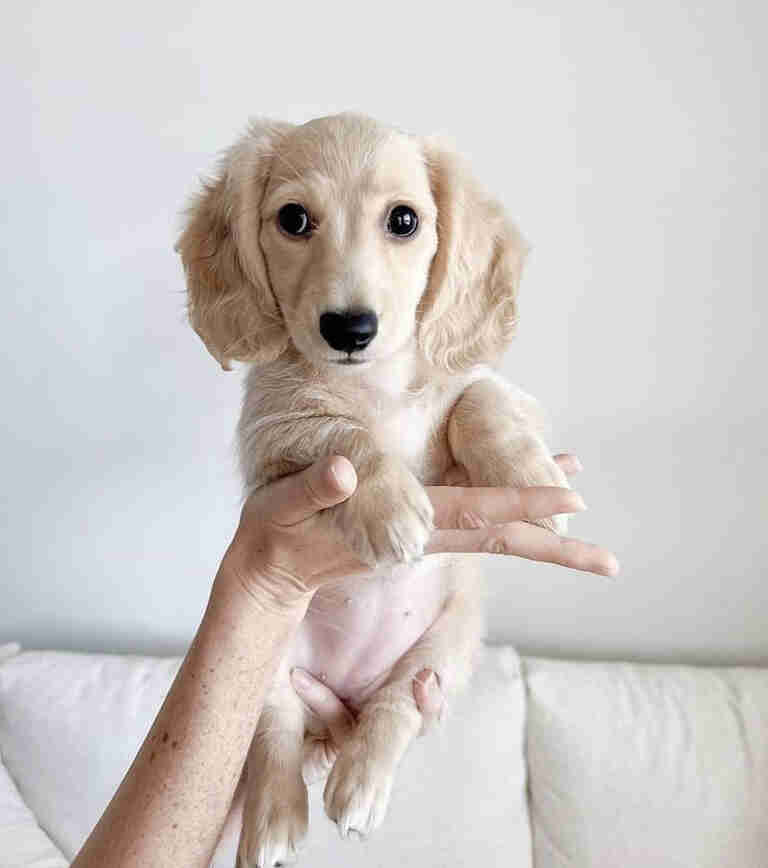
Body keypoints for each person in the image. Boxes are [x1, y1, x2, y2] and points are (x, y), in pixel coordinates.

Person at [72, 454, 618, 867]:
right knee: (282, 690)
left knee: (446, 643)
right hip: (306, 636)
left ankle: (374, 728)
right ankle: (283, 767)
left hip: (405, 631)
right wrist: (264, 588)